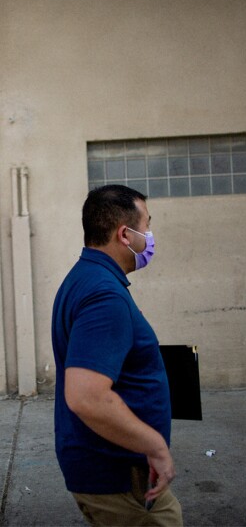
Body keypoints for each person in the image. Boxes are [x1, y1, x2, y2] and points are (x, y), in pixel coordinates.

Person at [51, 184, 182, 526]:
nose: (150, 237)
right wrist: (155, 446)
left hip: (111, 468)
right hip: (120, 476)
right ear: (125, 234)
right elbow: (86, 396)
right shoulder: (104, 295)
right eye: (147, 226)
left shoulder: (85, 278)